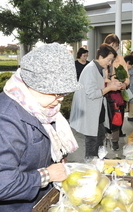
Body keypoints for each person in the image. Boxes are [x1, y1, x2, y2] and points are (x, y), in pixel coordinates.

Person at [0, 43, 81, 211]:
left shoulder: (41, 107)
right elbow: (3, 183)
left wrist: (57, 157)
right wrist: (47, 175)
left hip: (40, 202)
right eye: (56, 93)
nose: (60, 99)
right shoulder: (6, 120)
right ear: (32, 84)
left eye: (64, 93)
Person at [69, 44, 122, 157]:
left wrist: (110, 84)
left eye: (111, 60)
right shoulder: (90, 69)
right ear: (101, 57)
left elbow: (98, 84)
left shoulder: (99, 68)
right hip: (91, 110)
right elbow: (92, 93)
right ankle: (91, 163)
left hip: (97, 110)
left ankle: (98, 159)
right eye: (109, 60)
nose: (109, 63)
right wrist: (110, 88)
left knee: (100, 135)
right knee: (92, 139)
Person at [103, 34, 130, 141]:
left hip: (118, 93)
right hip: (105, 92)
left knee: (118, 115)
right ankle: (105, 136)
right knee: (106, 116)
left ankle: (115, 139)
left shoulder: (120, 59)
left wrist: (125, 84)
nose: (114, 49)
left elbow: (127, 75)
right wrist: (110, 82)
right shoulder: (101, 58)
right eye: (112, 46)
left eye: (116, 47)